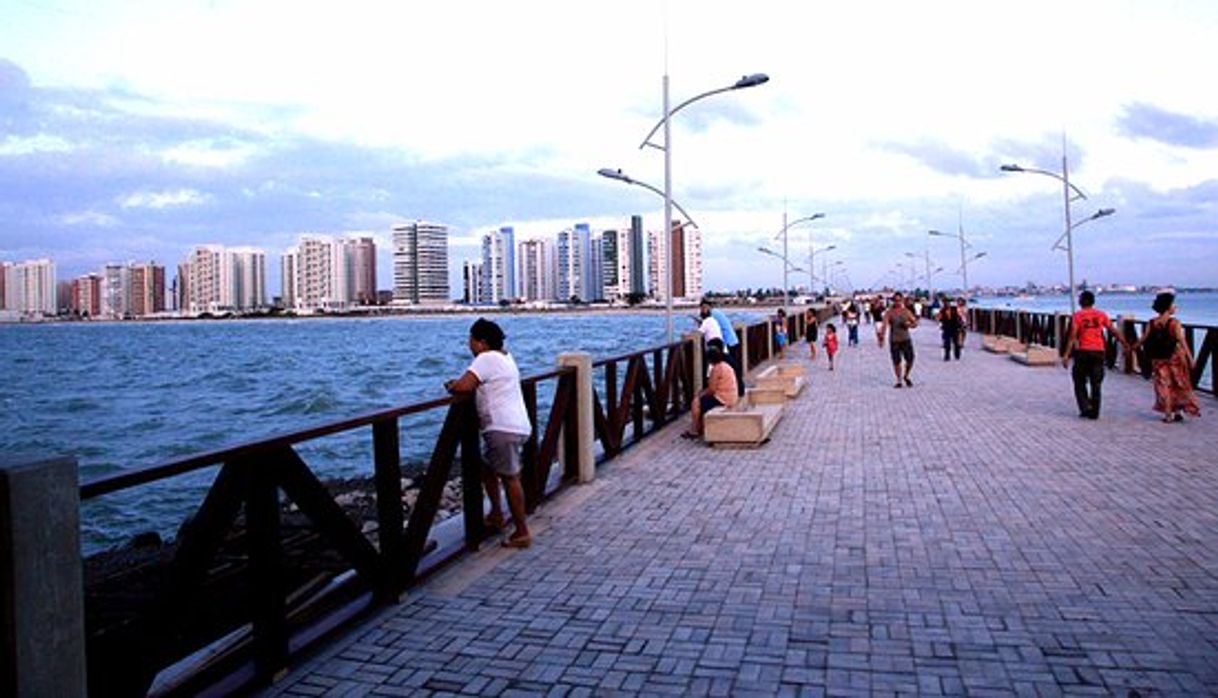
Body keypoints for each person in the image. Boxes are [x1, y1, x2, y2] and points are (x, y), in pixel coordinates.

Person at [444, 318, 533, 549]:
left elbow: (463, 386)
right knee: (488, 467)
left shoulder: (486, 359)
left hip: (502, 428)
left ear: (482, 342)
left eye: (470, 339)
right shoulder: (505, 357)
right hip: (517, 425)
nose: (468, 344)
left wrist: (451, 385)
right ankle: (496, 513)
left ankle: (522, 532)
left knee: (510, 478)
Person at [1061, 290, 1130, 420]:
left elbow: (1072, 336)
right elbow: (1113, 330)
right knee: (1096, 382)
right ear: (1093, 302)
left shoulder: (1078, 316)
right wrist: (1124, 344)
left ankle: (1085, 408)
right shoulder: (1101, 315)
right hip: (1098, 351)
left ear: (1081, 302)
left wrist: (1066, 355)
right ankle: (1095, 411)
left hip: (1083, 351)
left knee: (1079, 381)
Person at [1133, 292, 1201, 423]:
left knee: (1163, 385)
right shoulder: (1174, 323)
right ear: (1168, 306)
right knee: (1178, 384)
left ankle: (1168, 414)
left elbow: (1143, 339)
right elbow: (1182, 341)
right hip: (1174, 359)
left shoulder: (1152, 323)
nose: (1175, 307)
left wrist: (1132, 347)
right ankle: (1177, 411)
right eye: (1173, 304)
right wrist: (1191, 359)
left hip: (1158, 359)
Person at [683, 343, 739, 439]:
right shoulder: (726, 365)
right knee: (703, 402)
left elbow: (712, 390)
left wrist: (700, 394)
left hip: (723, 399)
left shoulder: (716, 369)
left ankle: (694, 430)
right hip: (731, 396)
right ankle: (699, 427)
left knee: (696, 402)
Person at [701, 299, 744, 396]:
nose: (702, 310)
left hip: (728, 343)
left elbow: (708, 327)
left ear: (709, 307)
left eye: (704, 308)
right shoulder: (717, 313)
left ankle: (736, 390)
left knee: (731, 367)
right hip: (732, 341)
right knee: (733, 367)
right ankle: (738, 390)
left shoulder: (712, 315)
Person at [882, 292, 918, 387]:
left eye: (899, 300)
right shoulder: (889, 312)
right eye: (895, 300)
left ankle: (906, 376)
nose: (897, 302)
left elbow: (915, 323)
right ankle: (899, 380)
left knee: (910, 359)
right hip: (894, 340)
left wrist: (909, 325)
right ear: (893, 301)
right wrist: (882, 336)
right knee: (896, 361)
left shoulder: (906, 311)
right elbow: (884, 324)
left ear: (902, 300)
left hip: (906, 339)